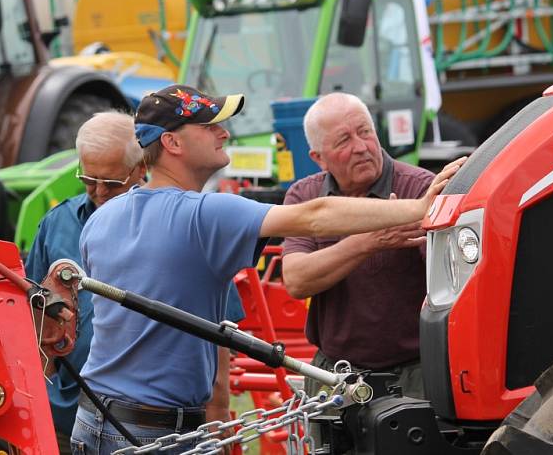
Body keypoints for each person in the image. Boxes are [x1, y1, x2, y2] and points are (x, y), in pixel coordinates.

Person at [72, 85, 464, 455]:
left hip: (92, 420)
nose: (223, 133)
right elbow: (314, 216)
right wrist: (417, 208)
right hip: (154, 432)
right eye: (209, 125)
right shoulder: (206, 214)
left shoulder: (102, 219)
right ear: (172, 143)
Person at [26, 111, 248, 454]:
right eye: (89, 179)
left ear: (141, 166)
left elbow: (215, 327)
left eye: (111, 182)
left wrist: (217, 413)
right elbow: (35, 317)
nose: (98, 191)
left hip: (150, 424)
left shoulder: (183, 224)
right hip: (68, 418)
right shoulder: (57, 224)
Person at [281, 93, 432, 437]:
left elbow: (451, 283)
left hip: (416, 376)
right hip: (335, 374)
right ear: (318, 158)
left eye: (365, 132)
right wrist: (371, 240)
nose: (362, 147)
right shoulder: (305, 197)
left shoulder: (421, 190)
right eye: (344, 141)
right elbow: (296, 280)